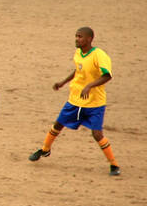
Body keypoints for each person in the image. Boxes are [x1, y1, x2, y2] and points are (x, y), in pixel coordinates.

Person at [29, 27, 119, 175]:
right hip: (75, 99)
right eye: (76, 36)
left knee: (97, 134)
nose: (77, 39)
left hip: (94, 103)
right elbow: (78, 70)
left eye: (80, 37)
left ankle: (114, 165)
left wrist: (89, 86)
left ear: (89, 39)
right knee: (58, 124)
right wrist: (63, 82)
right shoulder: (78, 53)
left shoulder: (99, 55)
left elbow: (107, 75)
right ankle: (45, 150)